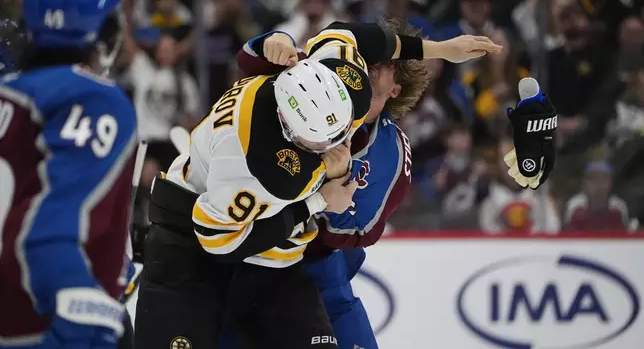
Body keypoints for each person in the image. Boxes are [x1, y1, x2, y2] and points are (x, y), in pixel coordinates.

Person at [134, 19, 501, 349]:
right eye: (323, 139)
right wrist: (318, 201)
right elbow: (219, 239)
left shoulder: (337, 75)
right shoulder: (262, 169)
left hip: (291, 266)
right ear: (292, 131)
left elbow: (357, 35)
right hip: (211, 248)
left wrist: (440, 49)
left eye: (344, 125)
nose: (341, 142)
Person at [0, 0, 137, 349]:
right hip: (35, 324)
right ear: (104, 30)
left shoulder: (10, 93)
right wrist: (82, 317)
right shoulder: (92, 96)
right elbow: (47, 230)